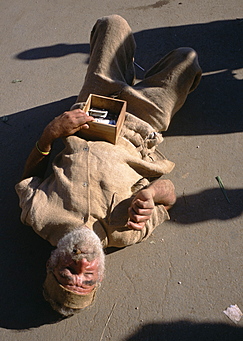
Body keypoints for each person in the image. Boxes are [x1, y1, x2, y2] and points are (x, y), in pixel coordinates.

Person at [15, 15, 202, 316]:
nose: (81, 265)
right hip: (143, 123)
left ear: (53, 261)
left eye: (67, 273)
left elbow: (28, 177)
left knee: (113, 25)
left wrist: (52, 131)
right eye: (86, 278)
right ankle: (138, 81)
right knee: (187, 59)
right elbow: (170, 196)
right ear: (100, 274)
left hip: (94, 107)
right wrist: (153, 195)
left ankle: (122, 74)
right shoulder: (128, 231)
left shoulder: (40, 217)